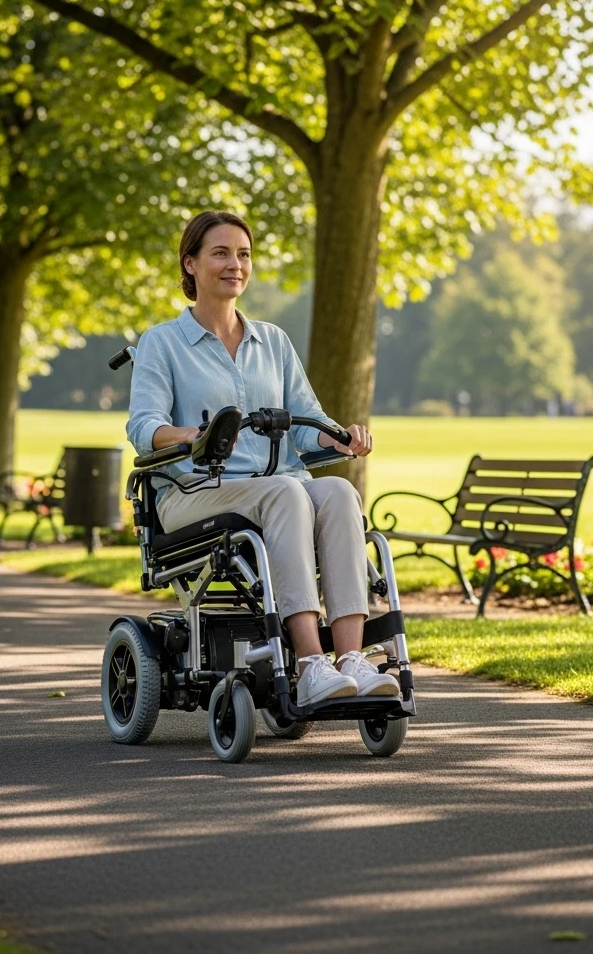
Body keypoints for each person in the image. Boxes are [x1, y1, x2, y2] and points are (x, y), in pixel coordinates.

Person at [126, 210, 399, 707]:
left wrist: (338, 440)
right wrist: (196, 436)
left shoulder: (272, 341)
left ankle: (352, 659)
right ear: (190, 264)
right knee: (287, 492)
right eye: (221, 253)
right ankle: (311, 663)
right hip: (195, 492)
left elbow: (306, 422)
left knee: (338, 490)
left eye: (244, 254)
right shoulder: (161, 342)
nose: (236, 264)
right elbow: (143, 428)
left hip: (275, 488)